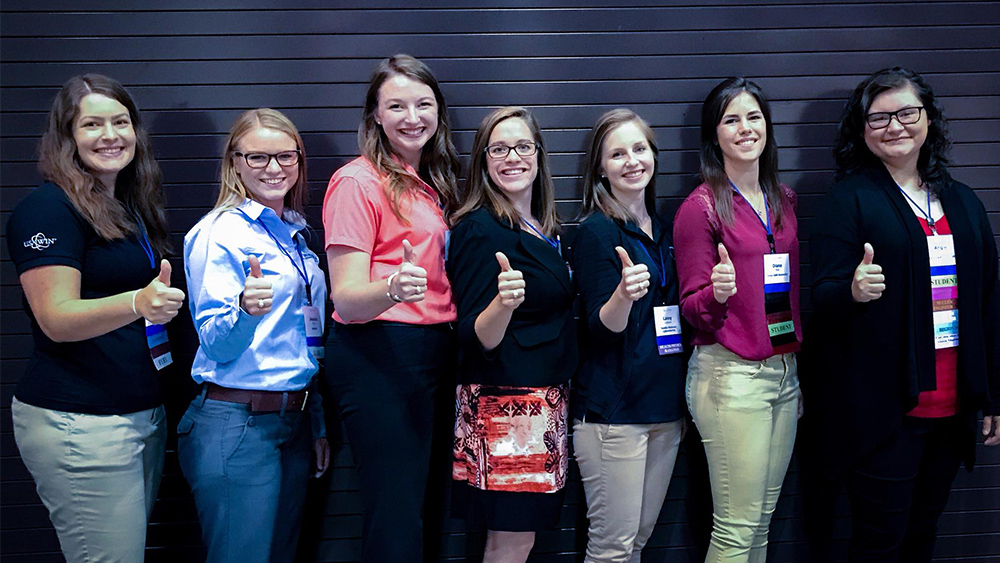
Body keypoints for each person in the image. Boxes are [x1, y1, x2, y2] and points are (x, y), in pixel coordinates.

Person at [807, 67, 1000, 562]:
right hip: (885, 412)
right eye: (879, 118)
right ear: (863, 130)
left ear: (928, 120)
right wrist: (851, 288)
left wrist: (993, 393)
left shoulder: (962, 202)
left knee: (923, 535)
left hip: (953, 408)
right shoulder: (848, 200)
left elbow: (988, 302)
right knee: (879, 543)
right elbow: (822, 297)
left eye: (907, 112)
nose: (895, 126)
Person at [5, 74, 183, 562]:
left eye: (121, 122)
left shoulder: (125, 206)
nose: (111, 135)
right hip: (80, 423)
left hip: (136, 416)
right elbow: (56, 318)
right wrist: (136, 303)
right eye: (92, 124)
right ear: (67, 136)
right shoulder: (47, 210)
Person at [322, 54, 460, 563]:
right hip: (380, 355)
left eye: (423, 104)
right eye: (396, 105)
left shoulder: (431, 182)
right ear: (375, 115)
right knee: (396, 513)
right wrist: (394, 289)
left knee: (426, 507)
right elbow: (348, 299)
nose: (412, 117)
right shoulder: (358, 182)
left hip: (433, 353)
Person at [178, 108, 329, 563]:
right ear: (235, 162)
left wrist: (315, 420)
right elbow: (217, 344)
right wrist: (245, 311)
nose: (274, 168)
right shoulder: (218, 233)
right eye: (259, 157)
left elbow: (304, 342)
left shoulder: (294, 235)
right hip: (237, 423)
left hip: (293, 422)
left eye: (286, 156)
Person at [673, 77, 802, 563]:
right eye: (731, 119)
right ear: (715, 135)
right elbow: (691, 307)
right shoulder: (700, 207)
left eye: (753, 117)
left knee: (762, 521)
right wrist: (716, 294)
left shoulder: (784, 200)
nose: (745, 129)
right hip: (731, 375)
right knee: (735, 530)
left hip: (784, 373)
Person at [448, 107, 577, 563]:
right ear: (483, 160)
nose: (512, 158)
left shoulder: (545, 228)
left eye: (523, 147)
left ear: (539, 156)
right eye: (498, 148)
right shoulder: (478, 229)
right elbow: (473, 335)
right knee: (512, 540)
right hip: (507, 409)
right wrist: (501, 304)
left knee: (521, 539)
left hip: (543, 405)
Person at [569, 108, 687, 563]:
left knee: (637, 542)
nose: (631, 161)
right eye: (617, 154)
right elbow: (601, 328)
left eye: (639, 149)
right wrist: (621, 294)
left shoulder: (665, 229)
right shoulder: (597, 232)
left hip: (665, 408)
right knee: (611, 547)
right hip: (614, 415)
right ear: (601, 168)